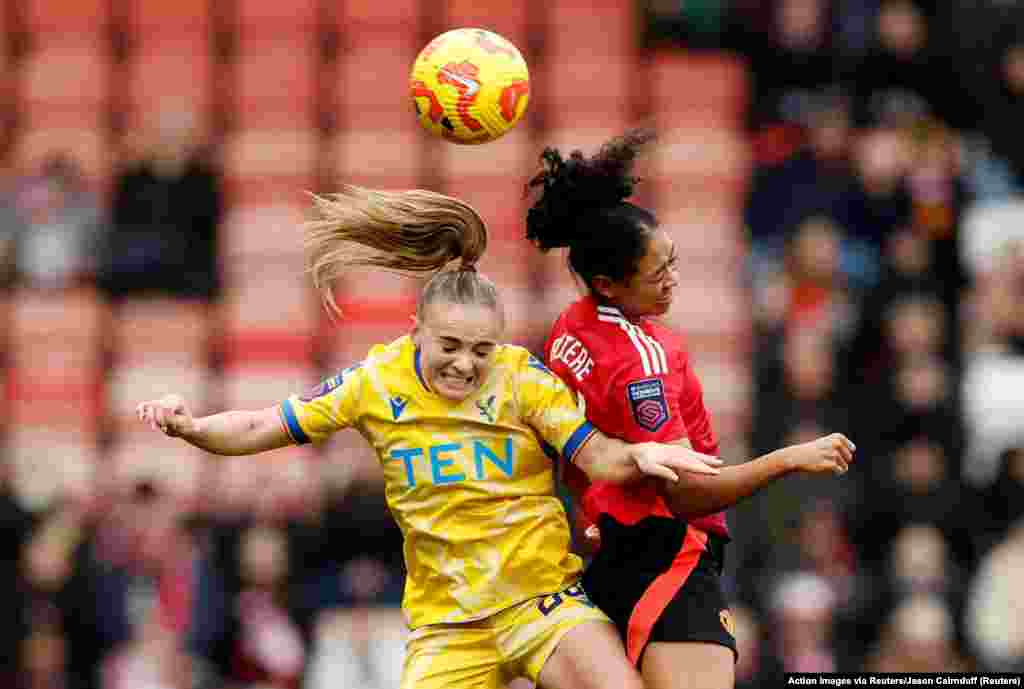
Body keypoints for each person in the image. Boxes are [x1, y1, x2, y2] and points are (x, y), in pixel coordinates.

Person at [136, 185, 725, 689]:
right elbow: (263, 424)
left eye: (480, 350)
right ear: (416, 331)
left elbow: (596, 456)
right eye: (449, 346)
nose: (465, 365)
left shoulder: (522, 377)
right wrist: (192, 429)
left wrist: (641, 452)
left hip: (541, 604)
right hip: (447, 629)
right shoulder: (375, 381)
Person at [526, 130, 856, 689]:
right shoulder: (643, 361)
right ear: (608, 283)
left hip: (606, 550)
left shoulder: (569, 327)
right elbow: (684, 493)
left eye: (672, 262)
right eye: (657, 275)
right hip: (667, 555)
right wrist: (788, 459)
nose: (673, 280)